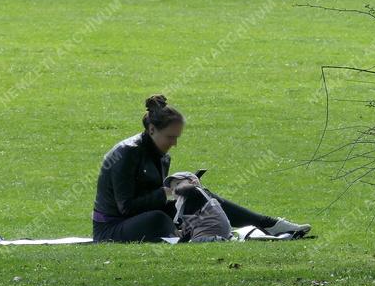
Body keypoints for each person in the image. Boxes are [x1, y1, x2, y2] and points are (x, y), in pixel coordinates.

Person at [91, 94, 311, 243]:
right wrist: (171, 192)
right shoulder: (126, 154)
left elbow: (154, 194)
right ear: (151, 129)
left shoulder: (160, 154)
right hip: (112, 228)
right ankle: (194, 232)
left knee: (197, 193)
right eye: (170, 137)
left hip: (141, 216)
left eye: (177, 138)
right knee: (158, 219)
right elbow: (126, 207)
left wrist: (179, 187)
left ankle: (269, 224)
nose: (174, 144)